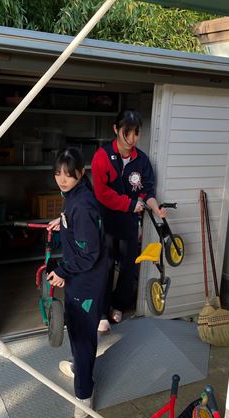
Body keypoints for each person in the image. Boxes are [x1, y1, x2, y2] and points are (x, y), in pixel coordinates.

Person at [91, 109, 166, 333]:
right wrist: (130, 204)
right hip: (106, 221)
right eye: (127, 133)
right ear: (116, 129)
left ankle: (119, 305)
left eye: (136, 133)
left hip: (130, 223)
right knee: (104, 266)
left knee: (128, 265)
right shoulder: (102, 156)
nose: (132, 139)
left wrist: (156, 208)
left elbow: (147, 191)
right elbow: (102, 193)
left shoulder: (141, 160)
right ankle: (101, 311)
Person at [46, 148, 108, 418]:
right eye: (58, 173)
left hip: (86, 280)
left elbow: (90, 253)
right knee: (77, 328)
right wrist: (63, 222)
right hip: (82, 276)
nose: (62, 179)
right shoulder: (75, 197)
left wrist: (62, 271)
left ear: (81, 174)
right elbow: (81, 227)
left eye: (68, 174)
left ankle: (84, 394)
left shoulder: (81, 205)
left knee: (82, 335)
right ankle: (78, 367)